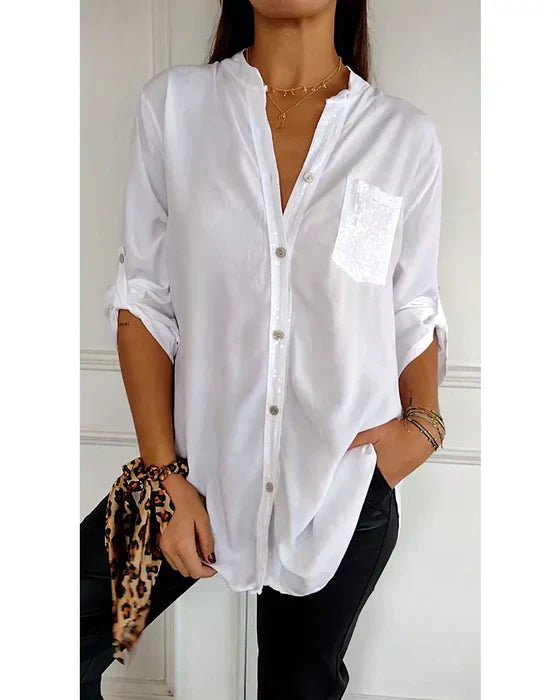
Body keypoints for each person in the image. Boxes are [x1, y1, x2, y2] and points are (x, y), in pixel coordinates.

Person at [80, 1, 449, 698]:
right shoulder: (175, 109)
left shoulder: (402, 137)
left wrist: (421, 428)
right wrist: (164, 477)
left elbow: (412, 305)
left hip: (343, 484)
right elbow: (144, 300)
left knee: (299, 688)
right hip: (186, 474)